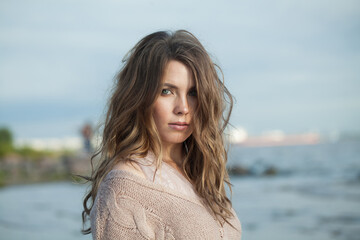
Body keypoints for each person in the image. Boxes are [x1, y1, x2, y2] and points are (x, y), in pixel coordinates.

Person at [81, 30, 242, 239]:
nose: (183, 108)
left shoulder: (199, 175)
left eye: (193, 93)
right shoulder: (123, 189)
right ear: (140, 97)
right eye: (167, 91)